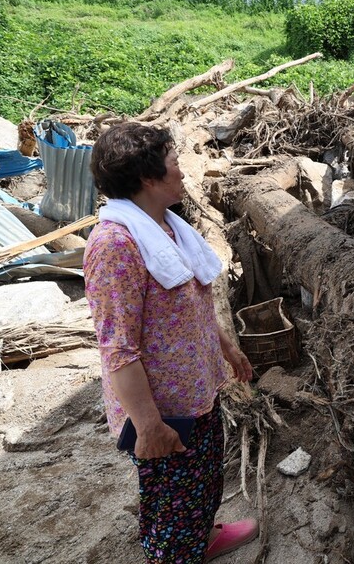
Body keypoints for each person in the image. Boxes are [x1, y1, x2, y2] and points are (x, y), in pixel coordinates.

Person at [84, 122, 259, 563]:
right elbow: (117, 347)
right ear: (148, 177)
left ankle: (201, 536)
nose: (183, 171)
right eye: (174, 163)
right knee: (172, 499)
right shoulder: (116, 245)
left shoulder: (165, 227)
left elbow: (191, 304)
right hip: (164, 410)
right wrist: (148, 427)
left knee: (198, 482)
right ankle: (179, 552)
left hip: (197, 391)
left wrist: (226, 348)